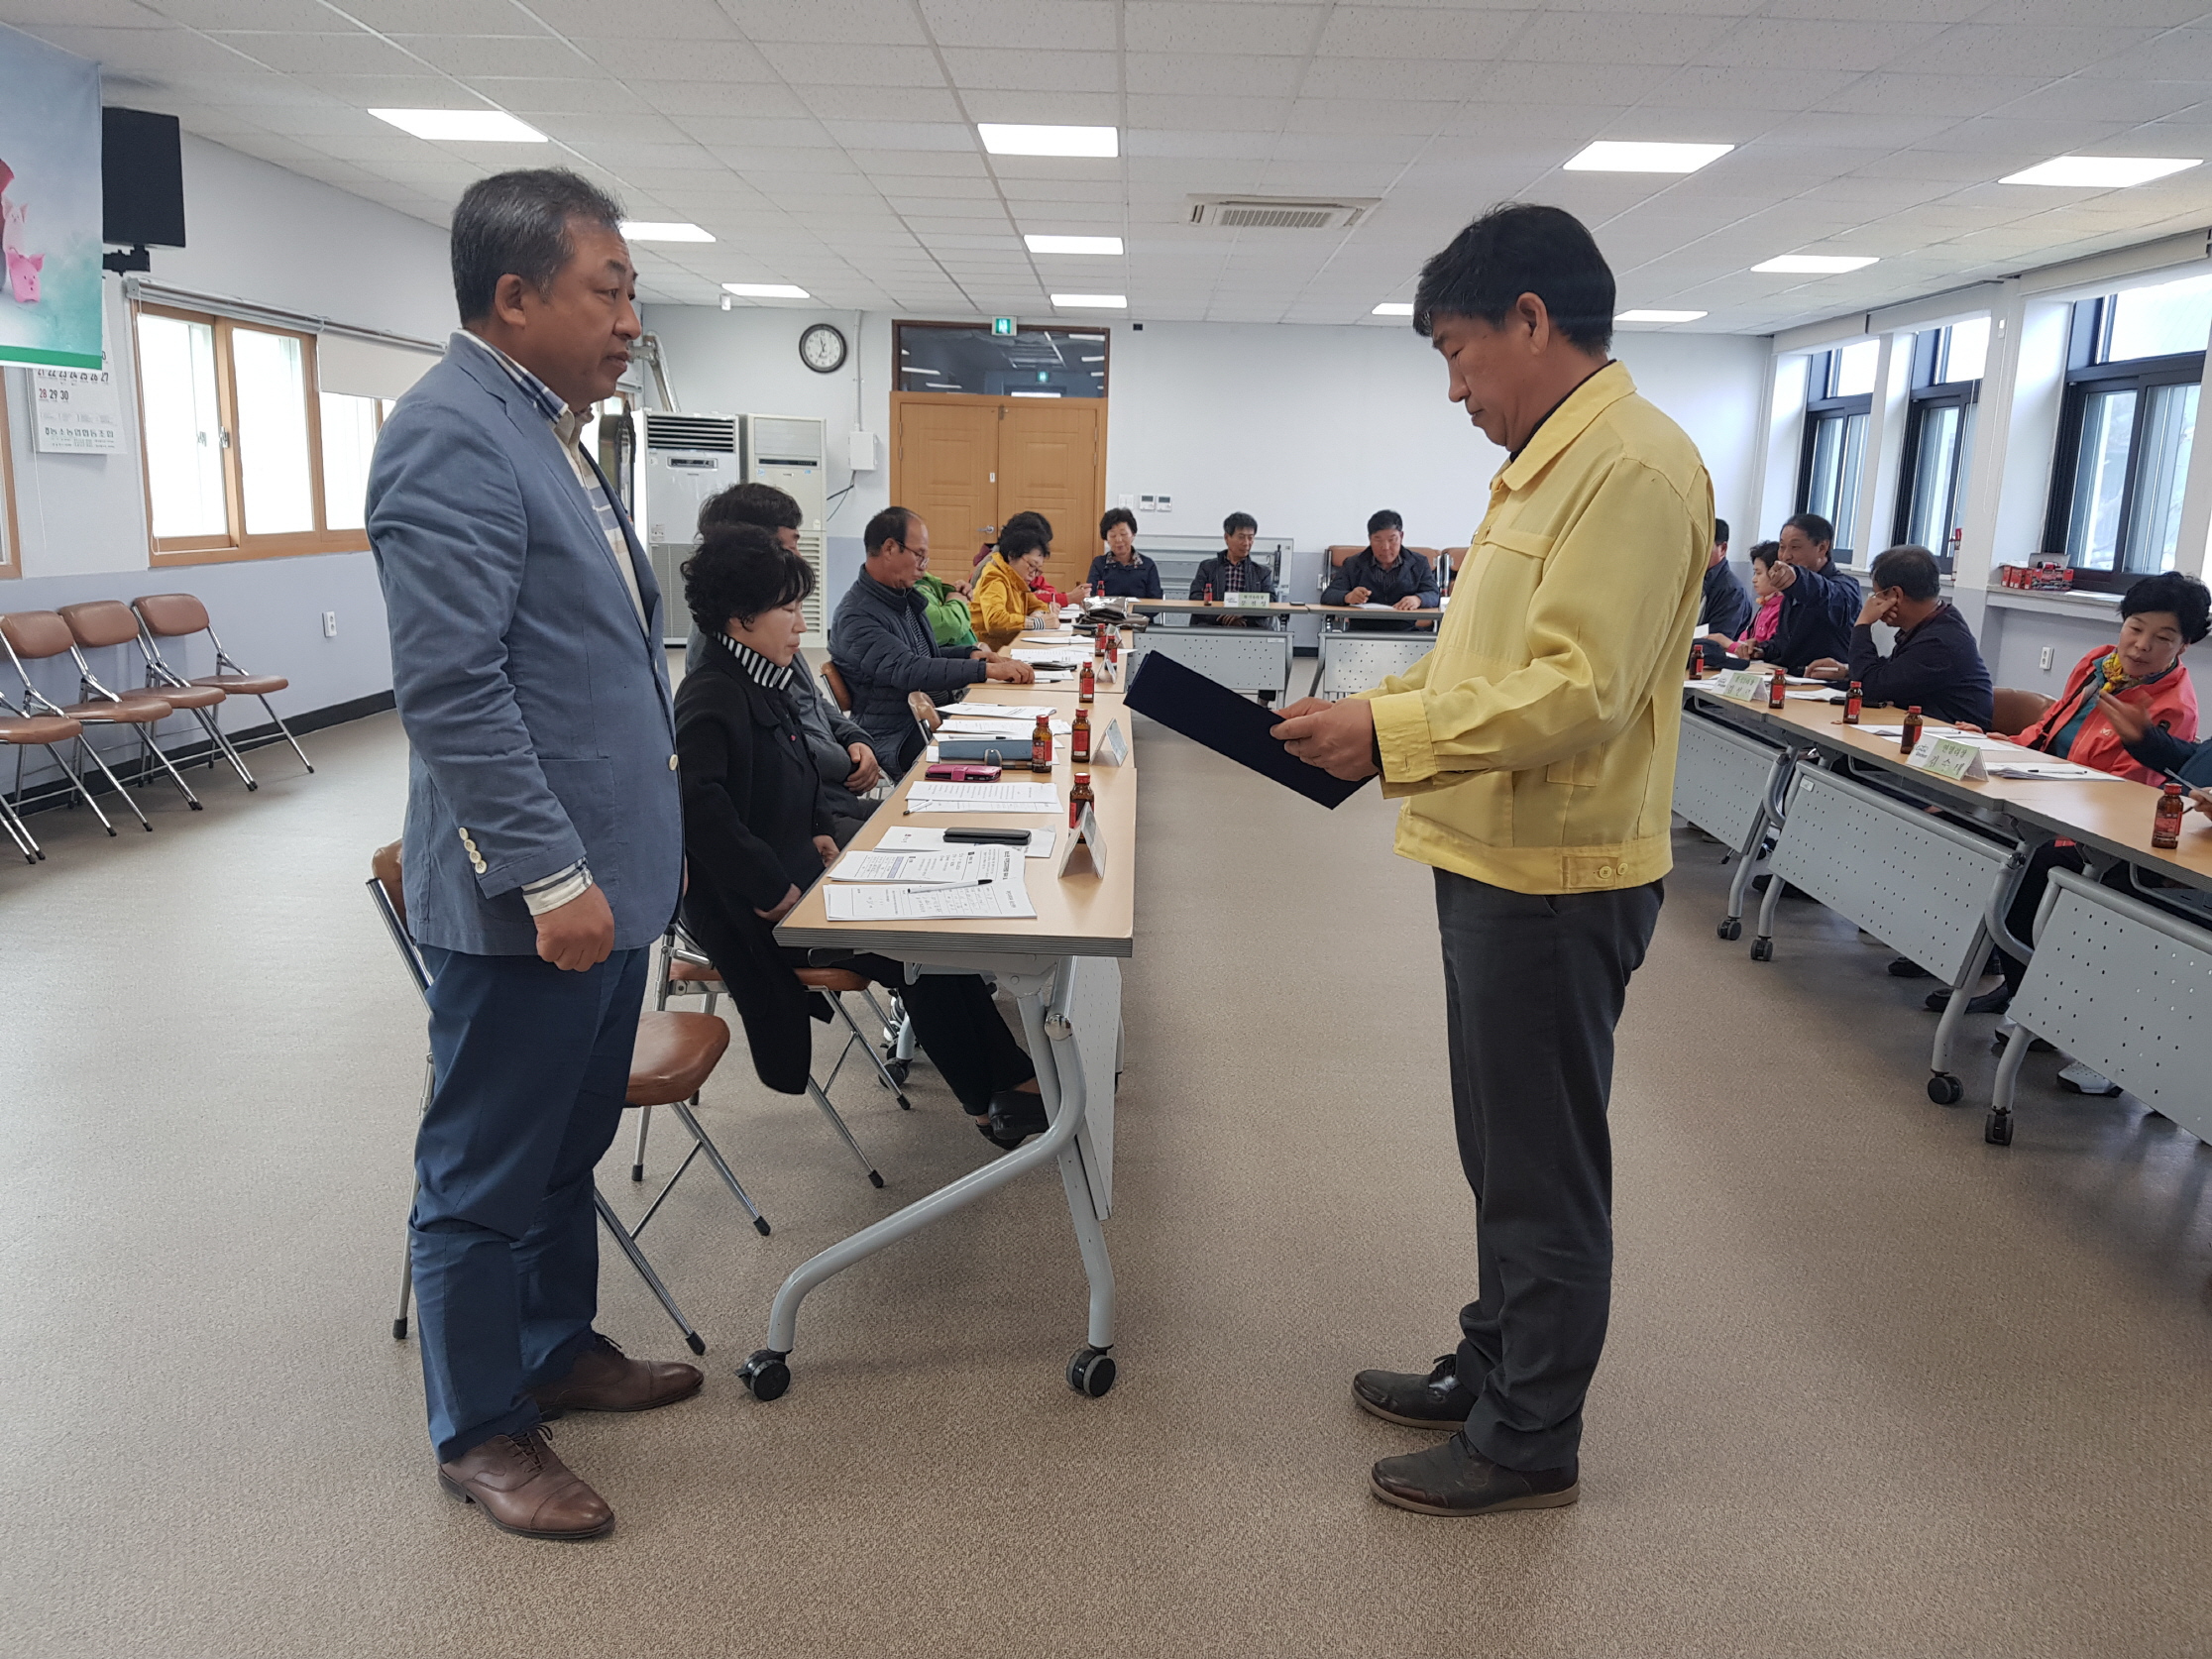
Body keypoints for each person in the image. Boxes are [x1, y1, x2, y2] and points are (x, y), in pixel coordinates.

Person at [1272, 202, 1708, 1518]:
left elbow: (1579, 691)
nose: (1455, 388)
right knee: (1500, 1153)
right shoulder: (1546, 466)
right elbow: (1490, 663)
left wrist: (1389, 735)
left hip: (1560, 876)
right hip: (1498, 856)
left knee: (1540, 1168)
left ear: (1531, 320)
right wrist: (1372, 714)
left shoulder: (1629, 470)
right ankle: (1495, 1363)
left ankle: (1530, 1437)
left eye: (1458, 353)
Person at [367, 168, 699, 1542]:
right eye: (607, 291)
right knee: (484, 1174)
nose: (630, 320)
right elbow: (454, 689)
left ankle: (555, 1345)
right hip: (532, 900)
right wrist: (554, 876)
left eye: (632, 293)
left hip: (607, 886)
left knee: (566, 1148)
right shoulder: (451, 434)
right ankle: (480, 1427)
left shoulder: (548, 429)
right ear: (514, 297)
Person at [674, 524, 1050, 1148]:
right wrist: (773, 889)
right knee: (913, 951)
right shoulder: (711, 696)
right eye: (789, 610)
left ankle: (1008, 1082)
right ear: (741, 619)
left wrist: (820, 832)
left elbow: (793, 772)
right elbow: (701, 815)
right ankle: (995, 1096)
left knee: (930, 938)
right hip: (758, 911)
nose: (802, 626)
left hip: (799, 871)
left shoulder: (759, 676)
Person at [1928, 571, 2208, 1038]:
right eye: (2135, 627)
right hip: (2041, 799)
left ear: (2184, 646)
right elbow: (2051, 728)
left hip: (2099, 831)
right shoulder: (2099, 664)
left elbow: (2127, 793)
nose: (2141, 646)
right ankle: (1980, 964)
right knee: (1954, 827)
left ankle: (2036, 1007)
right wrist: (2002, 744)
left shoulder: (2172, 707)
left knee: (2027, 869)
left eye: (2163, 638)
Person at [691, 483, 881, 841]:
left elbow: (811, 703)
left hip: (824, 801)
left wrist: (855, 737)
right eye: (791, 545)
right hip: (806, 811)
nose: (798, 556)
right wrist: (847, 761)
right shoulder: (725, 659)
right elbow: (780, 747)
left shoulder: (769, 637)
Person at [830, 506, 1034, 773]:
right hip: (896, 733)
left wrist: (971, 654)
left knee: (1019, 730)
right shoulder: (857, 616)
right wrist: (985, 670)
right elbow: (909, 669)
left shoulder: (901, 597)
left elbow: (924, 655)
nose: (923, 566)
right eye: (919, 555)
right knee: (1011, 752)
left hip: (930, 713)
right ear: (890, 548)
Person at [1803, 543, 1993, 727]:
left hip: (1947, 740)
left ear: (1895, 594)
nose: (1874, 602)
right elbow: (1893, 672)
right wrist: (1847, 671)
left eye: (1877, 594)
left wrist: (1862, 625)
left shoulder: (1942, 641)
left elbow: (1871, 687)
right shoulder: (1936, 623)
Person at [1759, 512, 1858, 673]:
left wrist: (1798, 578)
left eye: (1795, 547)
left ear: (1822, 547)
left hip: (1824, 682)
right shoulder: (1792, 589)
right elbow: (1784, 644)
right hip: (1791, 679)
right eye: (1782, 547)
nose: (1785, 556)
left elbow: (1830, 598)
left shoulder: (1846, 586)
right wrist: (1762, 649)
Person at [1321, 509, 1441, 632]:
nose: (1385, 547)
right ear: (1369, 539)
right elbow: (1329, 595)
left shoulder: (1418, 563)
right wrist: (1348, 597)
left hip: (1405, 631)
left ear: (1401, 536)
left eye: (1392, 539)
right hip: (1361, 632)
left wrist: (1418, 599)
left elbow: (1434, 594)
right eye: (1378, 540)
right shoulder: (1353, 563)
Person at [970, 520, 1052, 648]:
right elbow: (995, 621)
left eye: (1037, 569)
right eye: (1031, 566)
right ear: (1012, 556)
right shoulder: (994, 578)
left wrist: (1037, 615)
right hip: (990, 652)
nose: (1033, 574)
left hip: (1010, 647)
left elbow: (1040, 606)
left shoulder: (1017, 580)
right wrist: (1037, 623)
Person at [1190, 511, 1275, 627]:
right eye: (1241, 537)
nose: (1246, 543)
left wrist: (1243, 613)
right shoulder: (1207, 568)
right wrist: (1223, 617)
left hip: (1249, 628)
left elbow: (1271, 601)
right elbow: (1195, 597)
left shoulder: (1261, 572)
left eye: (1250, 538)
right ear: (1227, 537)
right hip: (1212, 627)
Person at [1692, 516, 1751, 665]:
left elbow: (1715, 644)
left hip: (1708, 667)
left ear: (1723, 549)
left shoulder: (1733, 591)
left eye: (1704, 545)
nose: (1696, 552)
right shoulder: (1691, 580)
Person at [1086, 506, 1161, 601]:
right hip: (1107, 610)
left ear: (1133, 535)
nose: (1118, 540)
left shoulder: (1147, 565)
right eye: (1113, 535)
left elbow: (1155, 599)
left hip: (1139, 610)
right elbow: (1091, 596)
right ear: (1106, 538)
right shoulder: (1099, 564)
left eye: (1123, 534)